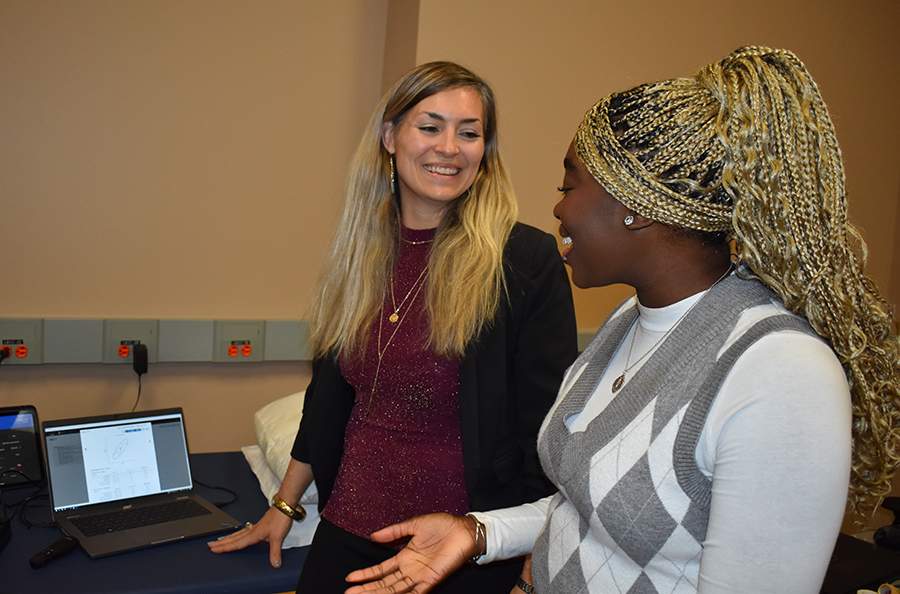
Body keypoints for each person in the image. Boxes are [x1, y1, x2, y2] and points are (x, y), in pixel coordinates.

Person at [342, 46, 900, 594]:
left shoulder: (782, 373)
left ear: (632, 203)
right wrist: (479, 530)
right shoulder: (630, 320)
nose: (558, 209)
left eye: (569, 185)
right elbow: (591, 507)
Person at [208, 61, 579, 593]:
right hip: (348, 527)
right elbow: (330, 395)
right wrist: (284, 506)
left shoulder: (521, 259)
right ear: (390, 136)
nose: (449, 147)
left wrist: (524, 558)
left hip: (460, 548)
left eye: (469, 132)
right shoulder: (361, 252)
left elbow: (544, 428)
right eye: (430, 126)